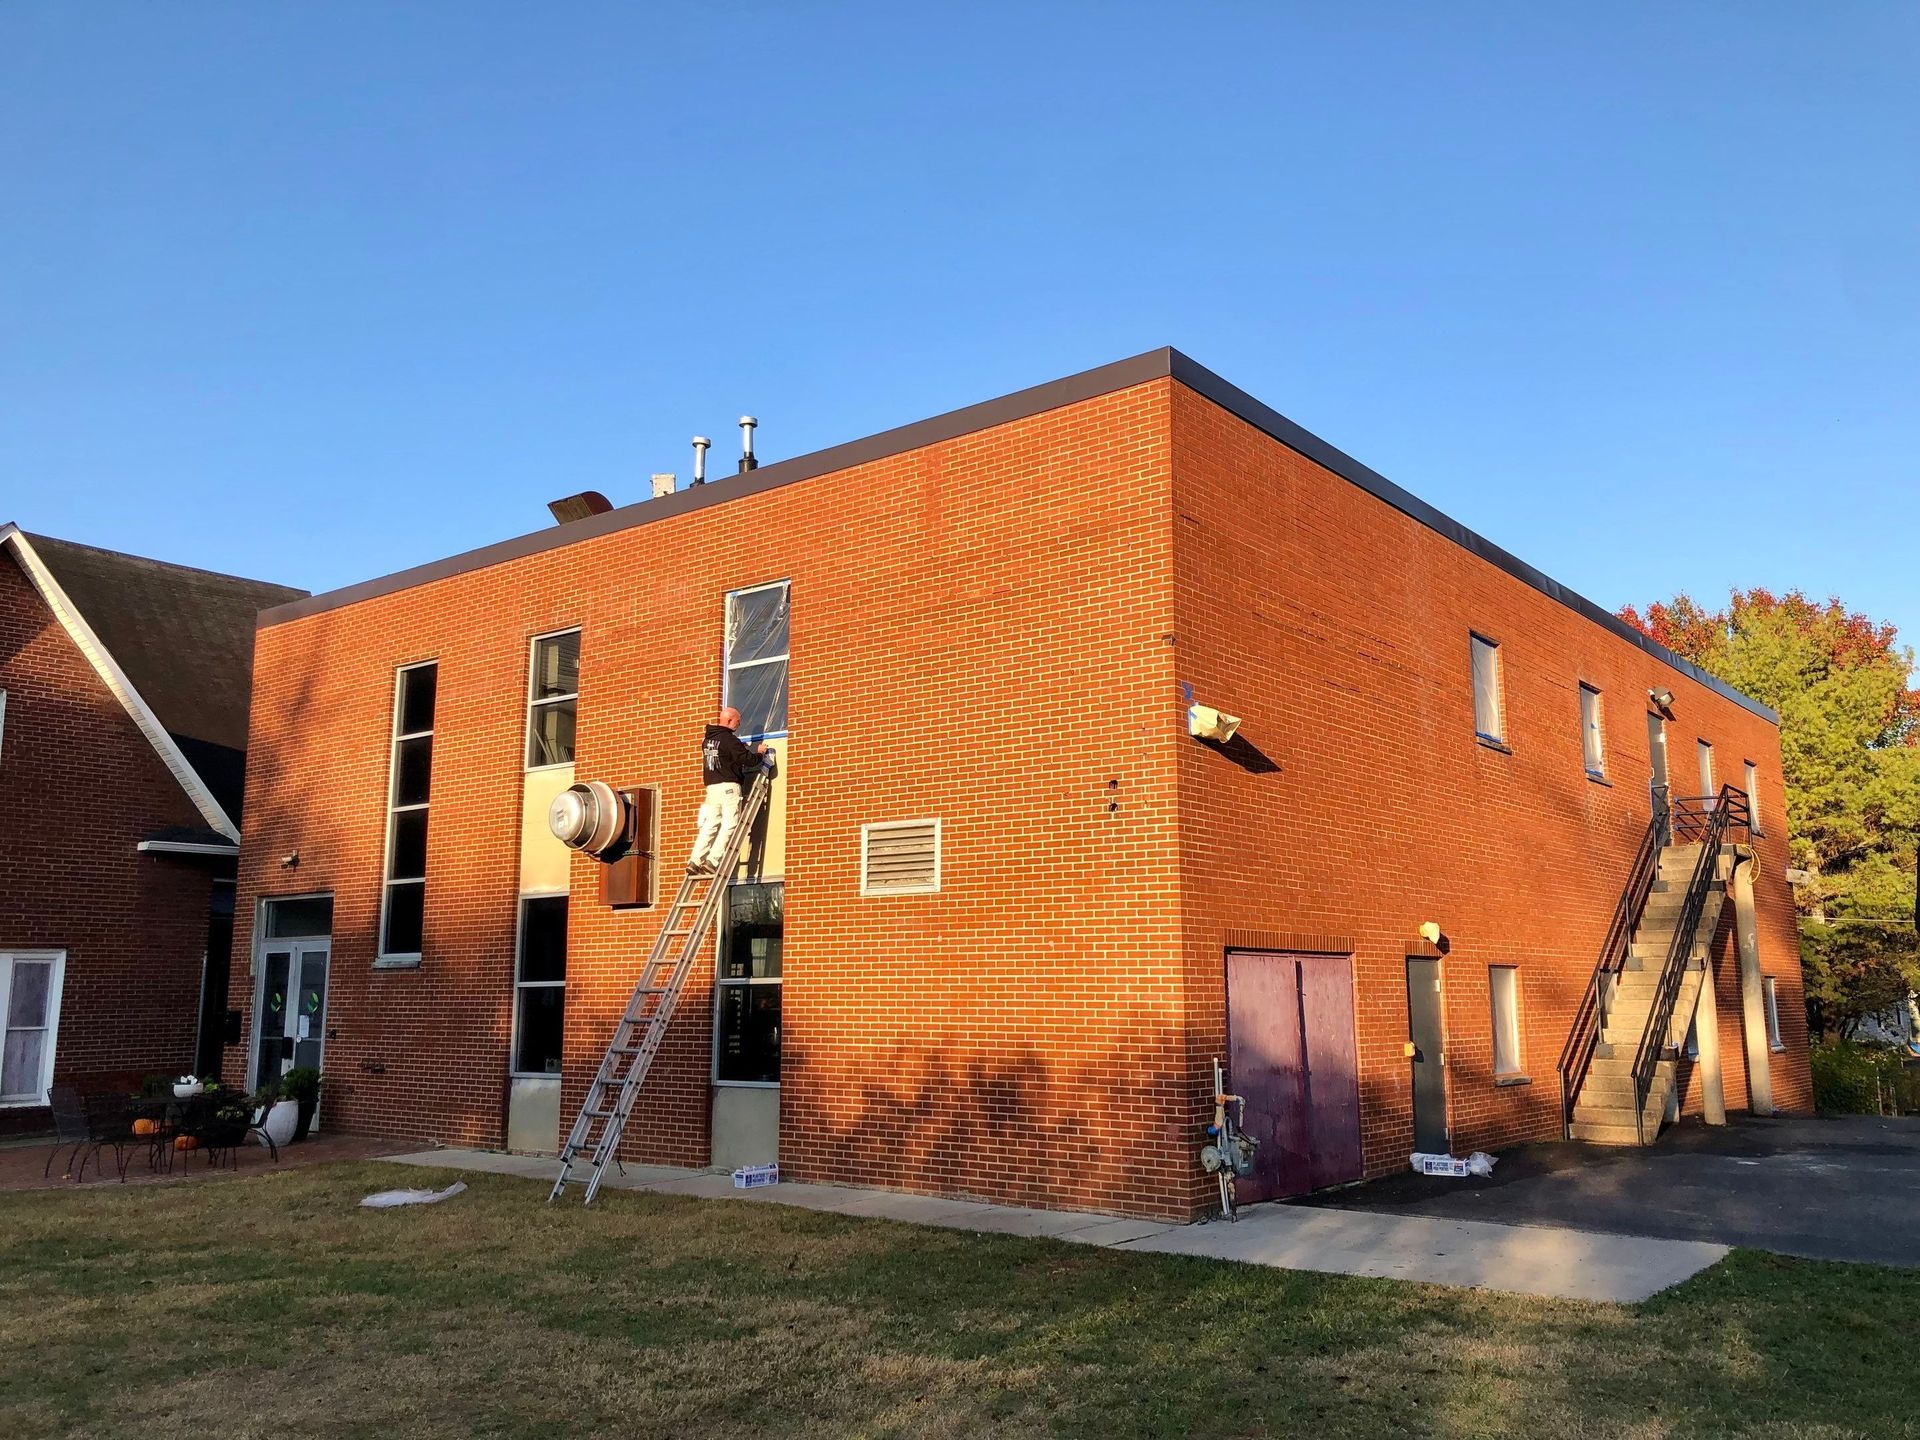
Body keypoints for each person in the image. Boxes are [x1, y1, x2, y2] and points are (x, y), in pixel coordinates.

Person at [687, 705, 766, 875]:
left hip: (712, 788)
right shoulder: (729, 740)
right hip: (728, 787)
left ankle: (695, 860)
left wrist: (740, 748)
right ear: (730, 720)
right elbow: (748, 760)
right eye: (738, 722)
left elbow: (725, 755)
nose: (738, 725)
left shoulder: (708, 740)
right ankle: (713, 860)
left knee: (710, 824)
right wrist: (759, 753)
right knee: (730, 823)